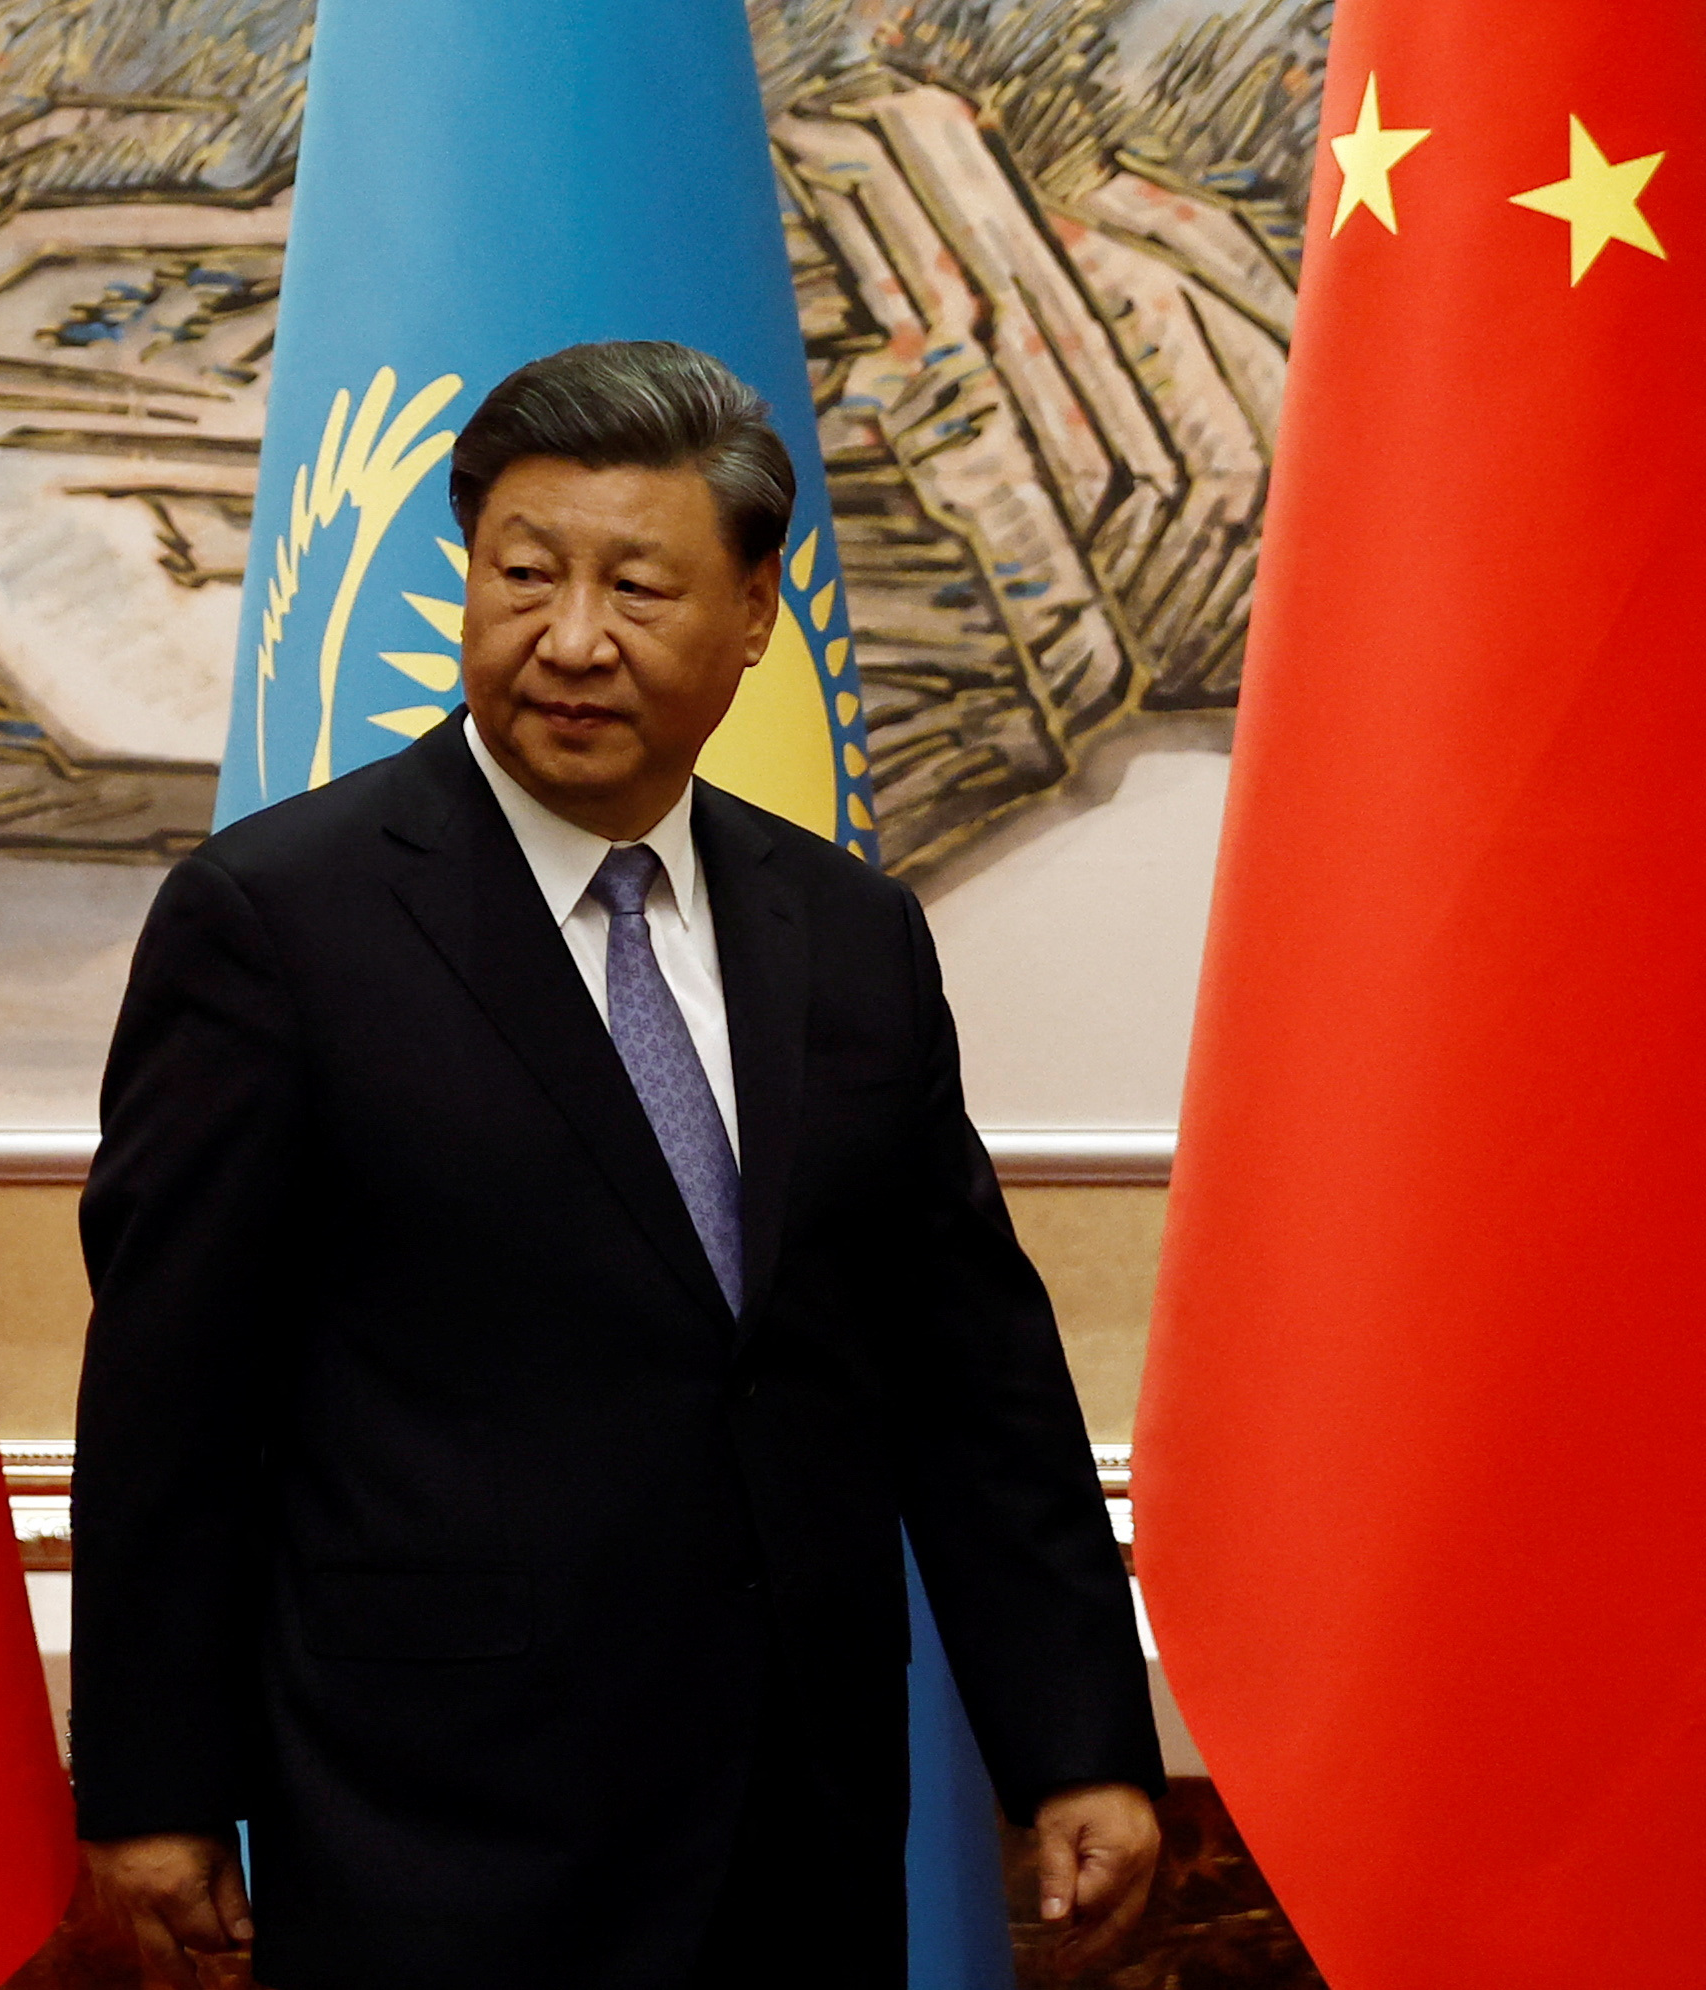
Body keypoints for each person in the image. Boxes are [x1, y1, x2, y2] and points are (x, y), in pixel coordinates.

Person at [67, 341, 1162, 1990]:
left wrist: (1077, 1737)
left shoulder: (847, 935)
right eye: (523, 575)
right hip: (435, 1826)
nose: (570, 639)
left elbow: (971, 1370)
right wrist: (153, 1791)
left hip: (793, 1822)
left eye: (638, 586)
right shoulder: (279, 923)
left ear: (750, 614)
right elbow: (172, 1395)